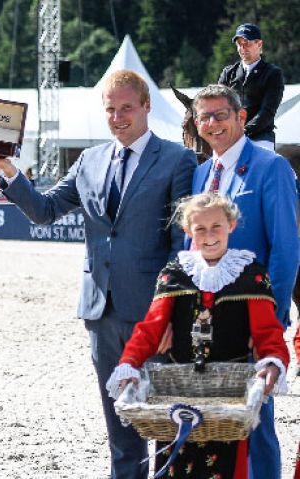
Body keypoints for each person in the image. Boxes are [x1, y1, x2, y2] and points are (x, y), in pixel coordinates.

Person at [0, 69, 196, 478]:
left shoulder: (177, 159)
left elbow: (181, 244)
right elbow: (45, 210)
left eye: (127, 108)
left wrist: (171, 312)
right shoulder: (89, 160)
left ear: (146, 106)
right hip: (100, 313)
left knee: (161, 423)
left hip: (153, 316)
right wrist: (9, 170)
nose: (118, 117)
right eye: (110, 109)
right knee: (120, 425)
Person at [106, 193, 289, 479]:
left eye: (216, 226)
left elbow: (268, 332)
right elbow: (151, 328)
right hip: (177, 391)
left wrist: (273, 361)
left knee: (227, 468)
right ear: (188, 231)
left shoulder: (251, 275)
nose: (209, 235)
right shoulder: (174, 274)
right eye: (200, 228)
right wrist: (129, 363)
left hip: (230, 397)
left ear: (231, 225)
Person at [190, 83, 299, 478]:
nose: (212, 123)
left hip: (253, 319)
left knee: (256, 425)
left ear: (241, 117)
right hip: (204, 321)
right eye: (204, 117)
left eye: (221, 114)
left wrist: (271, 321)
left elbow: (286, 250)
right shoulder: (201, 173)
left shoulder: (272, 167)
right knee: (214, 424)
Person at [218, 23, 283, 151]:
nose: (242, 48)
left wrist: (243, 131)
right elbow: (218, 105)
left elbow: (267, 111)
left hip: (260, 137)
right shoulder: (228, 73)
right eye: (239, 44)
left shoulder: (273, 73)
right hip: (230, 136)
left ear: (259, 44)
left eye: (247, 43)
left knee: (263, 161)